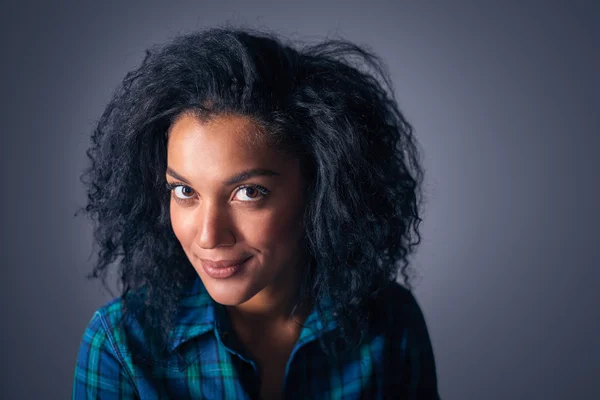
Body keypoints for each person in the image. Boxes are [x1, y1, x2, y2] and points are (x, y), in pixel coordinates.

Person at [72, 26, 440, 399]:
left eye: (248, 192)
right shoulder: (121, 345)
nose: (208, 236)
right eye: (185, 191)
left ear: (320, 191)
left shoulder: (388, 323)